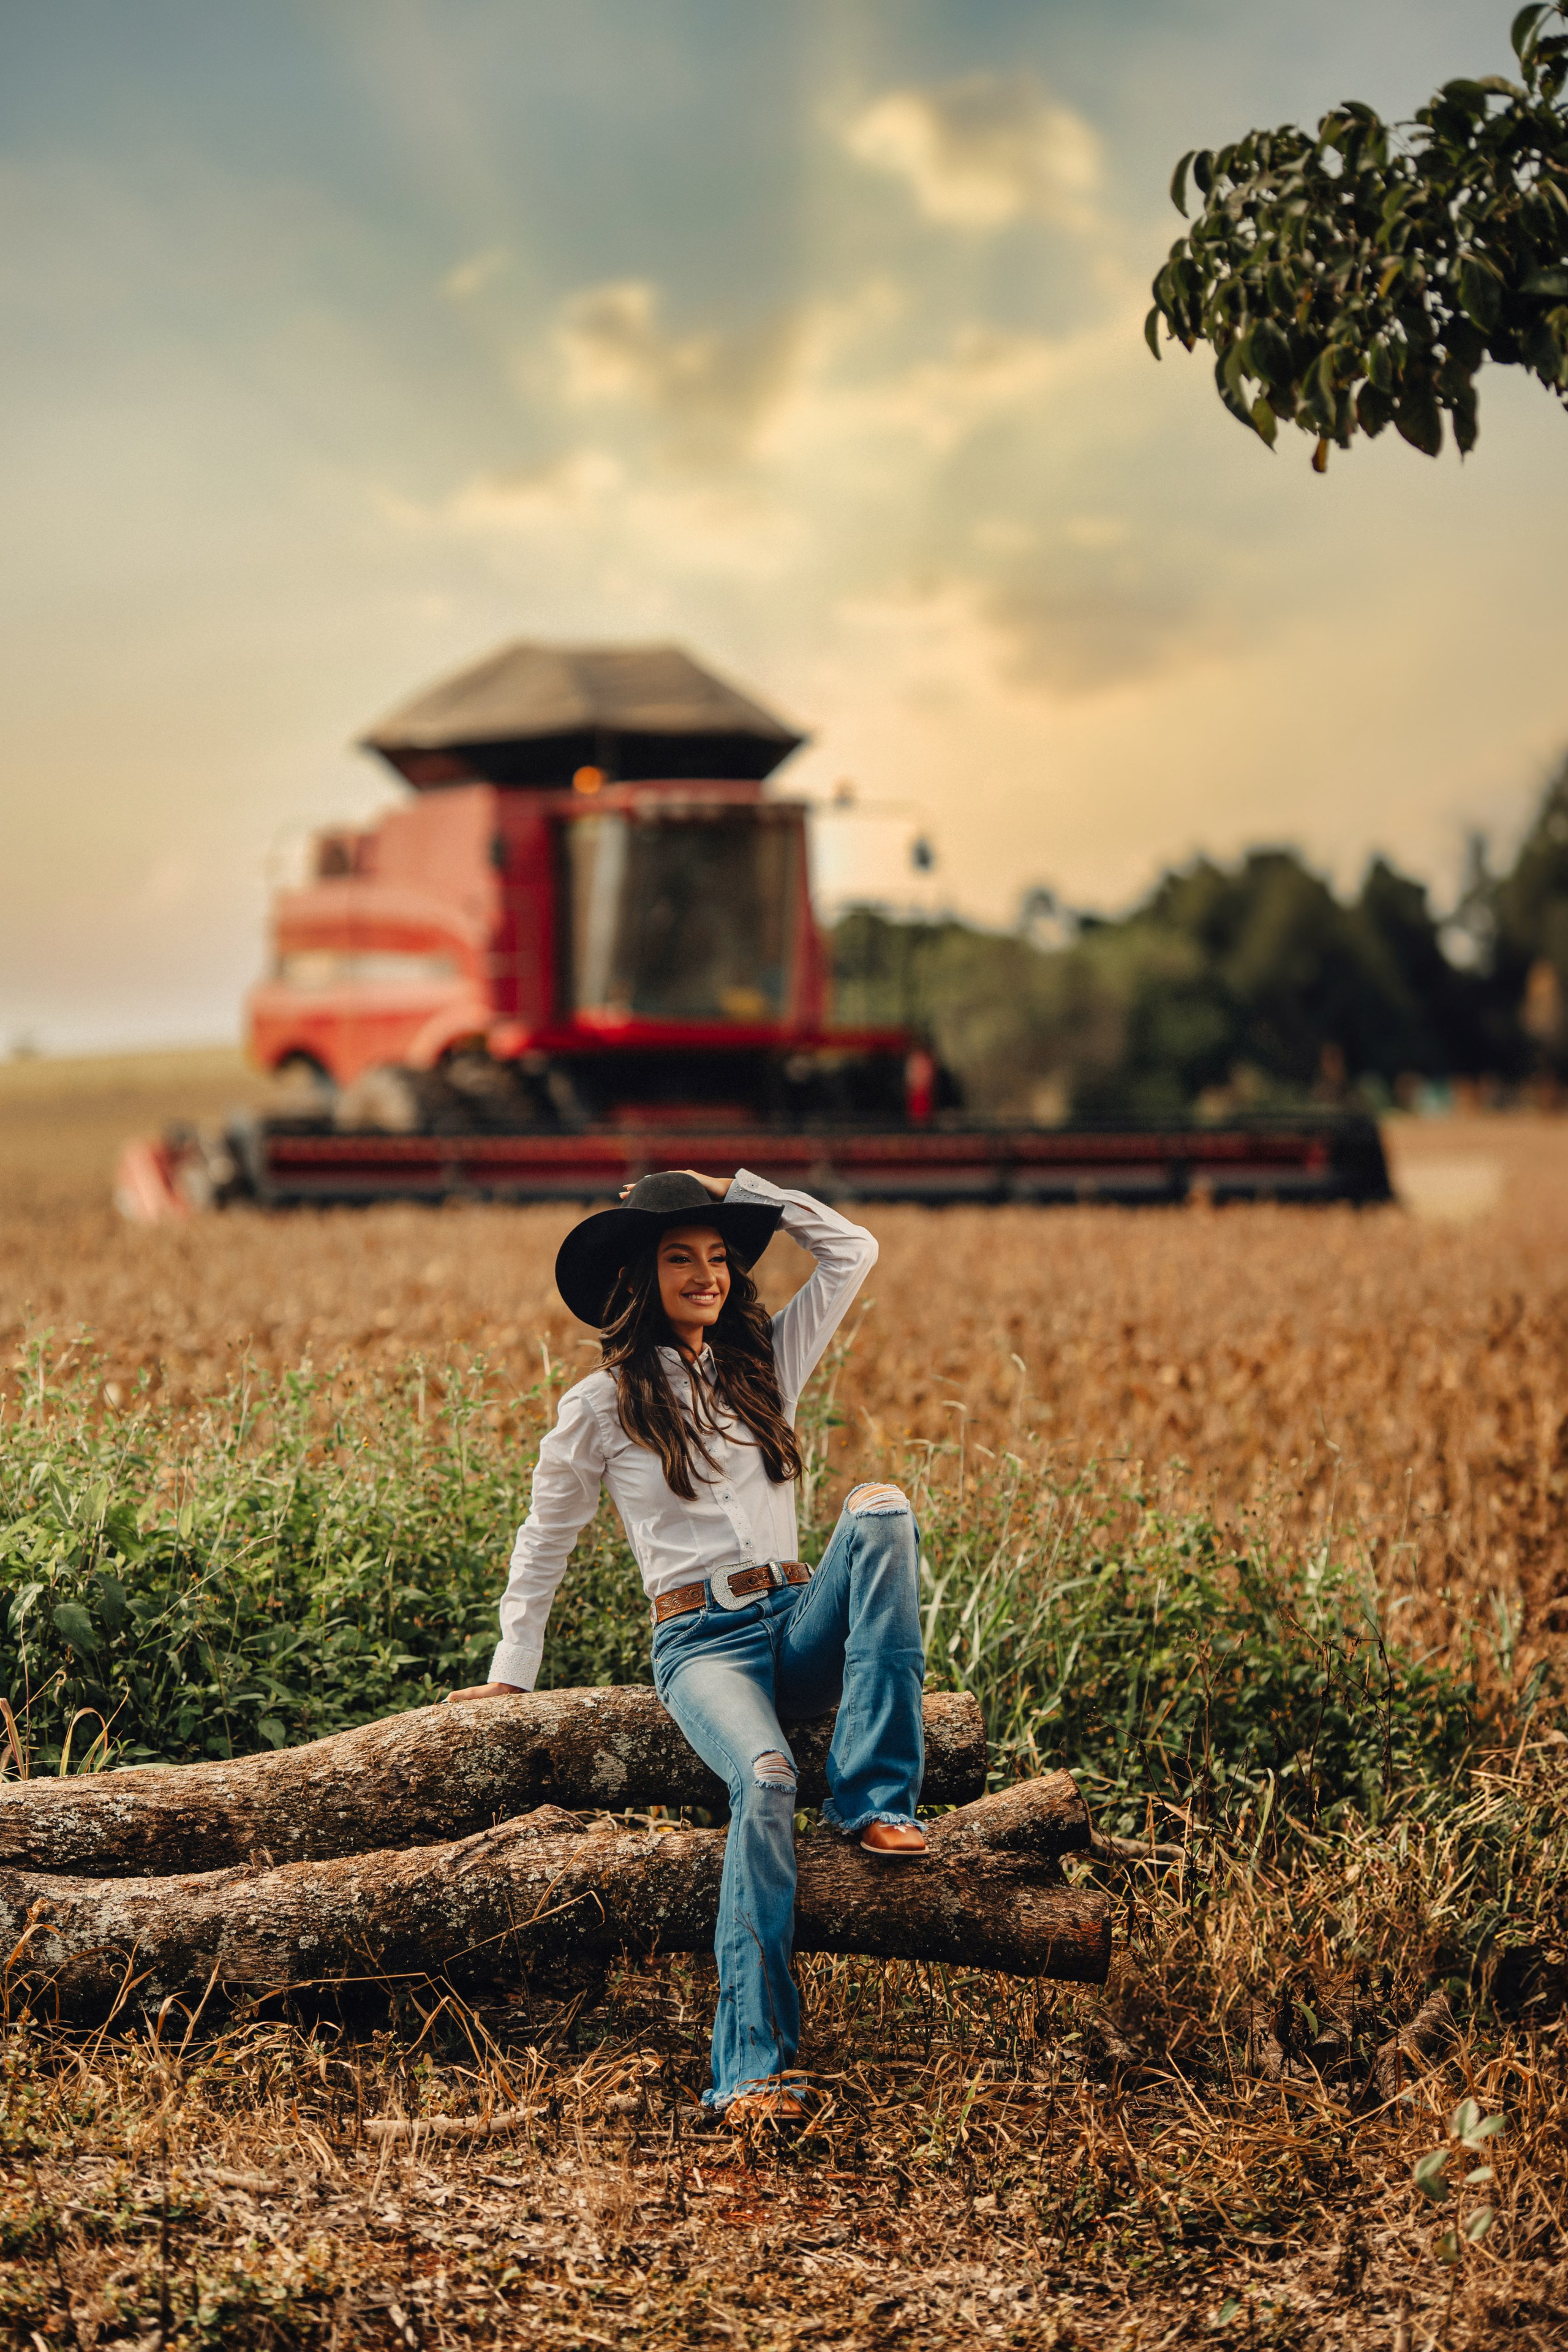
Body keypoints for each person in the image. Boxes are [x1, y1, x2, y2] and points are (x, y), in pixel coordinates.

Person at [449, 1167, 927, 2125]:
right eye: (682, 1258)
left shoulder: (766, 1368)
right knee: (769, 1779)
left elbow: (853, 1249)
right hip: (702, 1643)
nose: (708, 1275)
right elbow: (546, 1538)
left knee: (881, 1513)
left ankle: (877, 1798)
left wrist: (745, 1187)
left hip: (796, 1621)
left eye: (719, 1257)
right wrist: (512, 1672)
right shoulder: (601, 1405)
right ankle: (751, 2069)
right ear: (639, 1276)